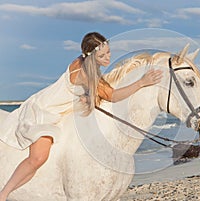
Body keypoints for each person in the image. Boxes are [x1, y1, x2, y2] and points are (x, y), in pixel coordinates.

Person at [0, 32, 162, 201]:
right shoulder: (85, 72)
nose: (108, 58)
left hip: (62, 109)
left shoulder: (90, 66)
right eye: (102, 55)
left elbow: (87, 89)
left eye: (108, 52)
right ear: (90, 56)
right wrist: (141, 83)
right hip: (45, 111)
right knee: (38, 158)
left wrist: (86, 95)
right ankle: (4, 194)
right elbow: (112, 95)